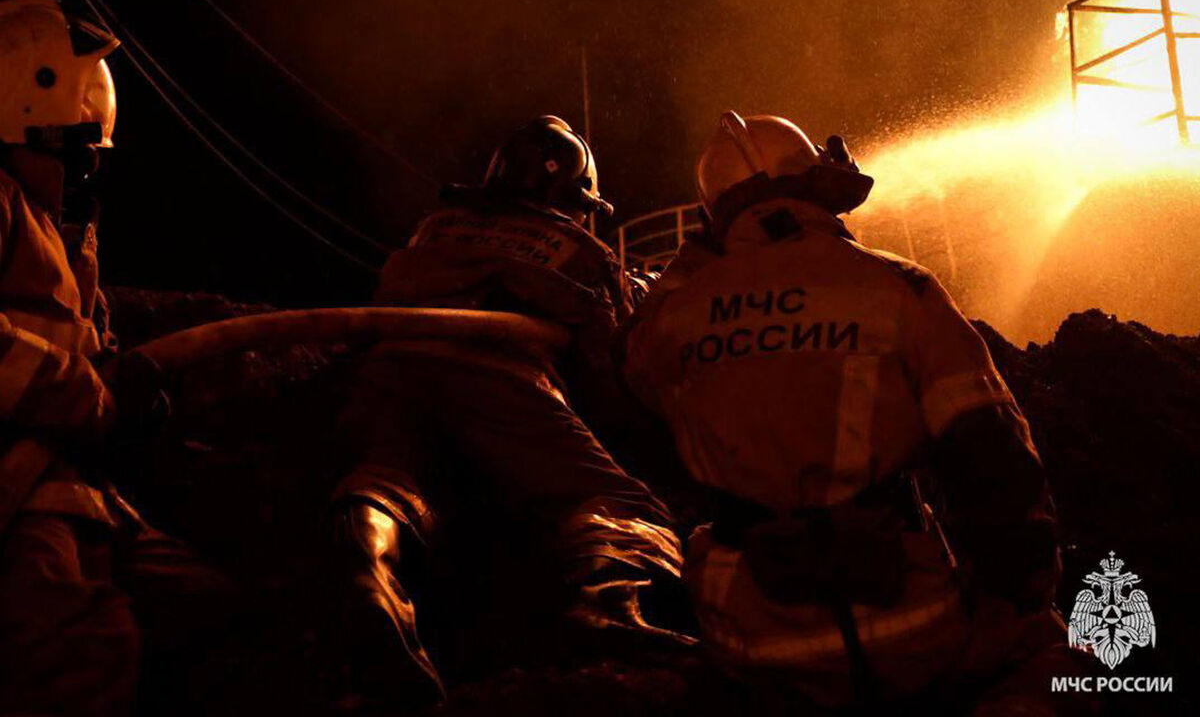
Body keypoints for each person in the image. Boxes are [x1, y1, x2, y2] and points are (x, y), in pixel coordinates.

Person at [622, 111, 1086, 713]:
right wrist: (1017, 597)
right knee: (1062, 660)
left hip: (749, 646)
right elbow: (992, 452)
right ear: (812, 177)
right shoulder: (898, 286)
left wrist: (704, 261)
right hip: (912, 632)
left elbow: (629, 385)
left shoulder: (673, 317)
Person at [328, 115, 686, 708]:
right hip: (498, 379)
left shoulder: (434, 228)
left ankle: (367, 572)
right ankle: (607, 610)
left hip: (387, 368)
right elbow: (612, 376)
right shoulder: (579, 249)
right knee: (619, 502)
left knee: (389, 474)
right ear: (575, 197)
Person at [0, 0, 230, 716]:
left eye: (87, 153)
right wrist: (96, 397)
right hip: (12, 490)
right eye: (69, 149)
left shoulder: (58, 229)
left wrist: (125, 389)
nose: (82, 171)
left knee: (206, 611)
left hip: (65, 484)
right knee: (79, 659)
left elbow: (81, 348)